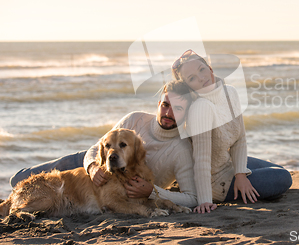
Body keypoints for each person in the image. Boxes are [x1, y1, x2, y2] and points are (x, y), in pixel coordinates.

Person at [10, 81, 198, 208]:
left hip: (114, 186)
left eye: (178, 108)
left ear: (187, 112)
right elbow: (98, 146)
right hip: (90, 164)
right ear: (158, 103)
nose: (168, 113)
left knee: (28, 194)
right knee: (19, 180)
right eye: (165, 105)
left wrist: (153, 192)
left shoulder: (181, 150)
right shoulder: (135, 119)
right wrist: (92, 167)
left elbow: (191, 198)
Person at [172, 50, 292, 214]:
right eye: (192, 78)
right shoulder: (201, 108)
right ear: (188, 86)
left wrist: (241, 175)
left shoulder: (230, 93)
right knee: (283, 179)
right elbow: (201, 160)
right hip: (215, 181)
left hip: (227, 163)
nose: (200, 77)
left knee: (279, 170)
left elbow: (239, 139)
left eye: (201, 69)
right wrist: (205, 201)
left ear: (210, 69)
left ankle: (248, 185)